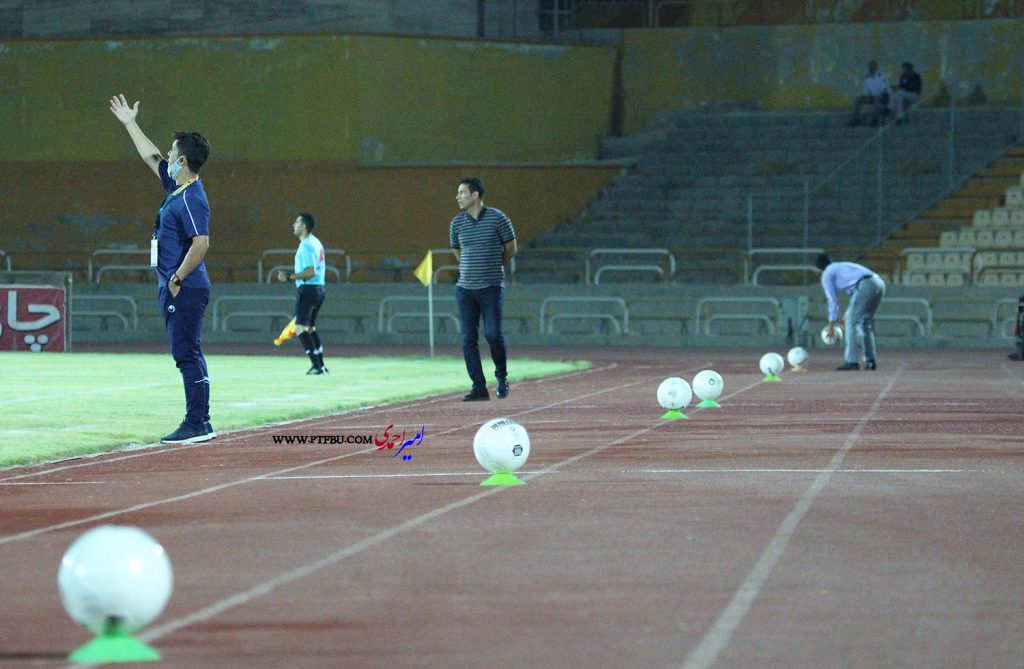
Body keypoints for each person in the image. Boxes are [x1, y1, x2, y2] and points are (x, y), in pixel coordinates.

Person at [109, 94, 215, 443]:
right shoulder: (177, 187)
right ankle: (199, 421)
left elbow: (201, 243)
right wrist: (130, 124)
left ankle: (197, 422)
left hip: (183, 286)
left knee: (186, 353)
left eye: (172, 153)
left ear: (182, 159)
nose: (166, 156)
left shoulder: (191, 197)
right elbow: (150, 156)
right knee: (187, 352)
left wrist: (176, 277)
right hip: (178, 284)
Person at [450, 177, 517, 401]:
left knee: (492, 334)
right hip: (465, 290)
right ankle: (478, 387)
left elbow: (511, 248)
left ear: (475, 195)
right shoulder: (457, 223)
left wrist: (494, 267)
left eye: (462, 192)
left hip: (491, 288)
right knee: (468, 339)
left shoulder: (499, 218)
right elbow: (458, 252)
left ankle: (501, 376)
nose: (458, 197)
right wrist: (470, 270)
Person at [276, 213, 328, 374]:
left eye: (297, 222)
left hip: (309, 288)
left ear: (304, 226)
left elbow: (310, 271)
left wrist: (289, 276)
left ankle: (316, 366)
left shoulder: (306, 245)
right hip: (319, 288)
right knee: (310, 328)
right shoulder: (316, 242)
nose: (294, 224)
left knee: (300, 327)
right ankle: (321, 365)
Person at [815, 253, 886, 371]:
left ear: (819, 269)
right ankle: (870, 360)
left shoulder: (827, 273)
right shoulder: (841, 267)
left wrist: (832, 324)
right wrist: (844, 317)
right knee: (864, 323)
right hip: (878, 283)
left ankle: (851, 361)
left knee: (851, 324)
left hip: (865, 285)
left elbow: (832, 300)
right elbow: (856, 298)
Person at [848, 60, 891, 127]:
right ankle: (856, 119)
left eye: (873, 66)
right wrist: (865, 95)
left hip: (882, 96)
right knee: (858, 99)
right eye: (870, 66)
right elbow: (866, 89)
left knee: (877, 98)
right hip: (871, 96)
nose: (871, 67)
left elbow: (885, 88)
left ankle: (875, 119)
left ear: (876, 67)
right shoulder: (867, 77)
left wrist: (879, 94)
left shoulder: (881, 76)